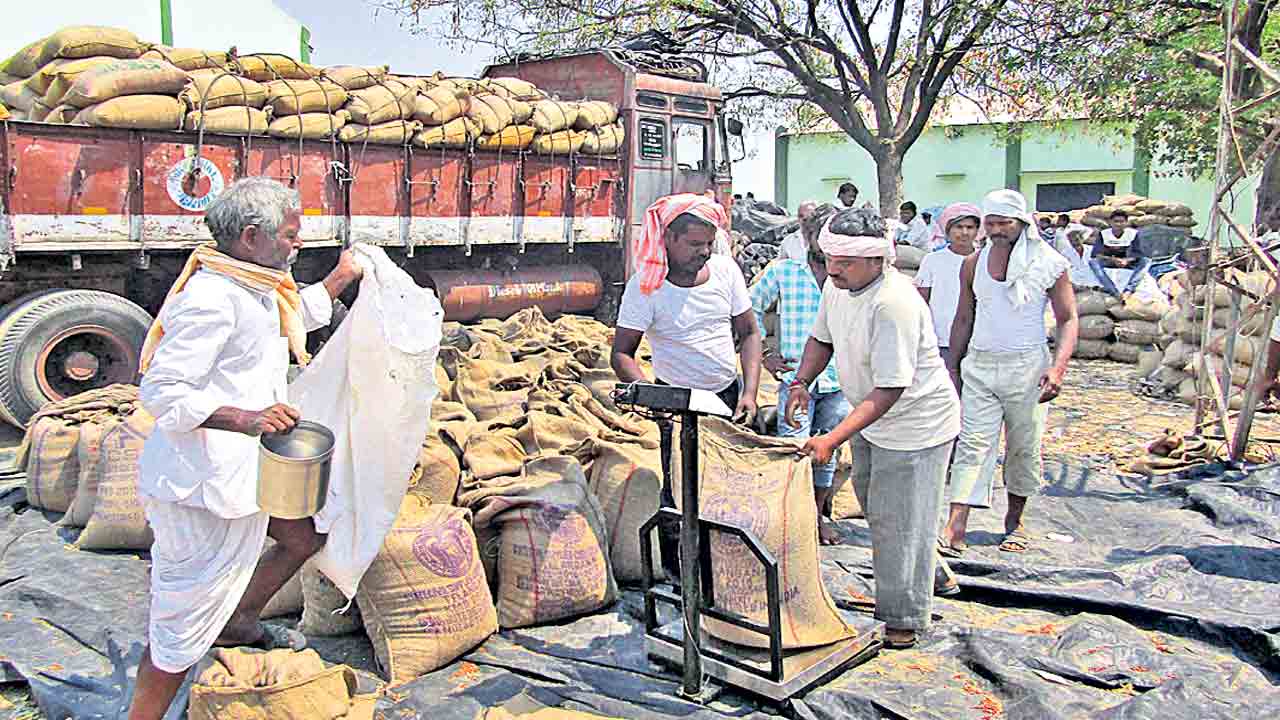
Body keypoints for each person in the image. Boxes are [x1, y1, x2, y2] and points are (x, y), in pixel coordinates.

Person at [128, 178, 364, 720]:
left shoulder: (255, 286)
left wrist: (342, 277)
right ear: (253, 238)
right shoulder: (212, 298)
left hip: (245, 472)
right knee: (178, 631)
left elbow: (283, 322)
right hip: (202, 489)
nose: (298, 243)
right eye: (290, 234)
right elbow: (162, 391)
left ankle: (241, 620)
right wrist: (247, 418)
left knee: (305, 534)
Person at [786, 206, 960, 649]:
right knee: (879, 505)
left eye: (845, 262)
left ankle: (904, 618)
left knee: (897, 521)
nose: (834, 270)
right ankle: (930, 570)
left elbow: (890, 389)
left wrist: (831, 437)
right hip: (870, 419)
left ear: (877, 260)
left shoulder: (893, 304)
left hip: (916, 425)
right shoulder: (837, 287)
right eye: (829, 260)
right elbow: (821, 339)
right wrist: (801, 382)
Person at [611, 193, 762, 579]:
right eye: (695, 244)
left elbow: (748, 333)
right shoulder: (647, 287)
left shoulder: (726, 273)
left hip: (726, 397)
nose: (704, 252)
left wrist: (748, 392)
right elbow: (623, 354)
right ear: (669, 241)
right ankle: (682, 577)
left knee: (726, 488)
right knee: (678, 491)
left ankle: (725, 569)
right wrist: (652, 397)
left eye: (709, 243)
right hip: (676, 404)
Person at [940, 189, 1078, 557]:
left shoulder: (1049, 263)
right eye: (992, 223)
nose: (998, 230)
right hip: (980, 366)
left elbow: (1068, 319)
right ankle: (956, 524)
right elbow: (964, 316)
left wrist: (1058, 369)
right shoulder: (973, 263)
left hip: (1028, 368)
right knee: (972, 445)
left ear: (1022, 223)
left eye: (1005, 223)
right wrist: (952, 366)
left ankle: (1016, 522)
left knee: (1023, 449)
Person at [750, 202, 847, 544]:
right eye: (825, 235)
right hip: (795, 379)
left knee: (827, 451)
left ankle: (817, 516)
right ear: (809, 236)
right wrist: (765, 353)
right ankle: (794, 519)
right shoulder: (784, 272)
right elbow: (751, 309)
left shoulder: (847, 277)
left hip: (839, 379)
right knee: (795, 449)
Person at [916, 203, 981, 369]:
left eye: (970, 227)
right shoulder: (933, 260)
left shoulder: (985, 259)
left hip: (978, 338)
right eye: (959, 227)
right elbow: (922, 300)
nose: (964, 232)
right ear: (948, 229)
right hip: (941, 337)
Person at [1089, 209, 1151, 298]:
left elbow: (1138, 254)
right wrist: (1113, 260)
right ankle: (1114, 291)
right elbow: (1096, 254)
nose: (1118, 224)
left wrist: (1126, 261)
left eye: (1121, 222)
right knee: (1093, 262)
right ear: (1110, 222)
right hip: (1109, 261)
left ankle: (1128, 289)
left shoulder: (1132, 234)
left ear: (1126, 223)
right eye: (1116, 221)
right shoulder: (1103, 234)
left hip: (1127, 262)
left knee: (1146, 261)